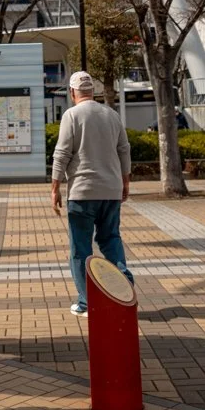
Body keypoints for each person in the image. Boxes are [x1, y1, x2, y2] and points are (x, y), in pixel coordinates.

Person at [51, 70, 133, 315]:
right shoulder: (111, 114)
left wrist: (54, 187)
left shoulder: (72, 115)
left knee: (80, 249)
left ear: (73, 92)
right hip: (110, 190)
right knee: (110, 239)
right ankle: (125, 285)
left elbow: (62, 153)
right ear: (93, 91)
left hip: (82, 193)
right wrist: (125, 182)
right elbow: (124, 150)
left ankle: (87, 303)